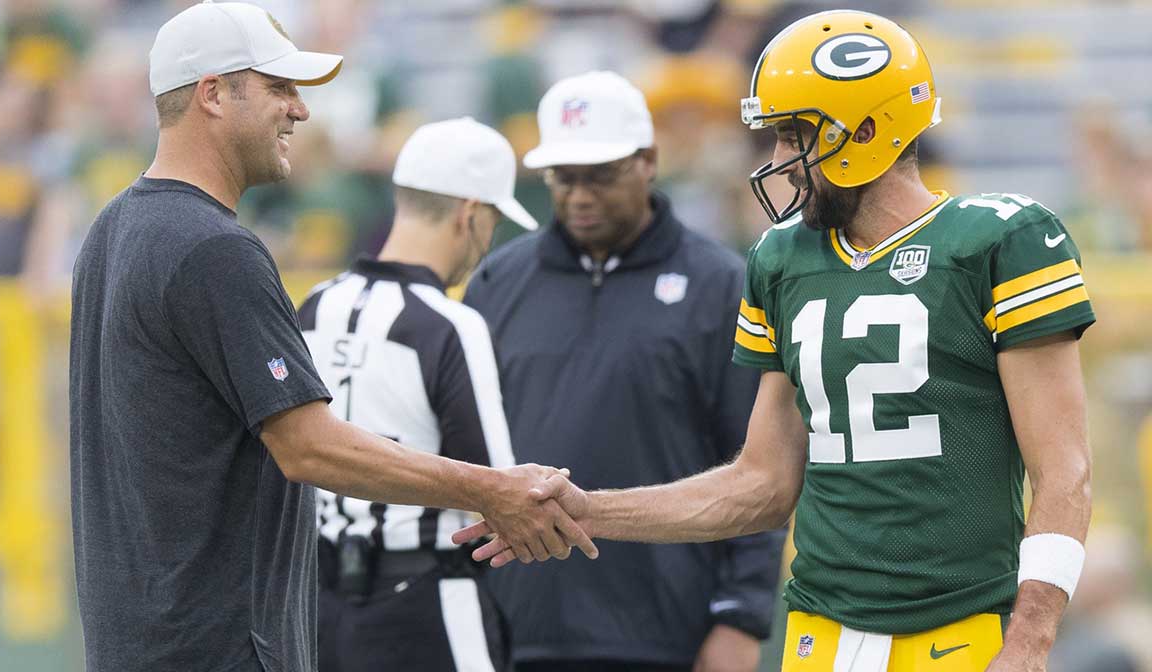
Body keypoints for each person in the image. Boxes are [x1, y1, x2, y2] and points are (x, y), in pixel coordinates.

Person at [460, 11, 1094, 672]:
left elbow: (1065, 470)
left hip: (959, 626)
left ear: (868, 131)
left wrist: (1029, 638)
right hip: (819, 631)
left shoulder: (1001, 239)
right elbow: (760, 484)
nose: (778, 163)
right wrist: (589, 511)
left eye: (794, 136)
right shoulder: (783, 259)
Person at [69, 4, 594, 671]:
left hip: (135, 644)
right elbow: (308, 446)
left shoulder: (110, 229)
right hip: (218, 647)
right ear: (212, 94)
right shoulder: (214, 248)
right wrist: (491, 488)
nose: (301, 110)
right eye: (279, 88)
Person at [463, 70, 786, 672]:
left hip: (668, 629)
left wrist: (741, 616)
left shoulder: (721, 285)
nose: (580, 196)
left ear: (647, 161)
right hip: (512, 625)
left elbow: (759, 467)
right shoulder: (495, 284)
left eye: (600, 175)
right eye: (564, 177)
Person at [301, 117, 538, 672]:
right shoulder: (451, 325)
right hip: (426, 602)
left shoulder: (315, 303)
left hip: (315, 605)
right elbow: (498, 495)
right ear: (469, 213)